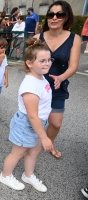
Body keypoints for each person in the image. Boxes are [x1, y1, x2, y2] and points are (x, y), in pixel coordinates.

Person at [0, 38, 54, 192]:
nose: (47, 63)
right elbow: (32, 116)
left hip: (37, 123)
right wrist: (44, 137)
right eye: (42, 61)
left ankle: (28, 175)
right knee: (18, 153)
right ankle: (5, 175)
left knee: (34, 150)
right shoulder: (30, 86)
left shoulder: (41, 77)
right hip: (27, 124)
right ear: (29, 63)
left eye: (49, 59)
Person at [34, 0, 81, 159]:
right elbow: (28, 63)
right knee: (33, 119)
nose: (54, 17)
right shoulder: (37, 38)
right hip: (38, 86)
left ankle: (48, 143)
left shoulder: (74, 38)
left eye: (59, 14)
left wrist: (61, 77)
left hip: (58, 85)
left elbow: (73, 66)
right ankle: (30, 146)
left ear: (66, 17)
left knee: (55, 123)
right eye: (51, 14)